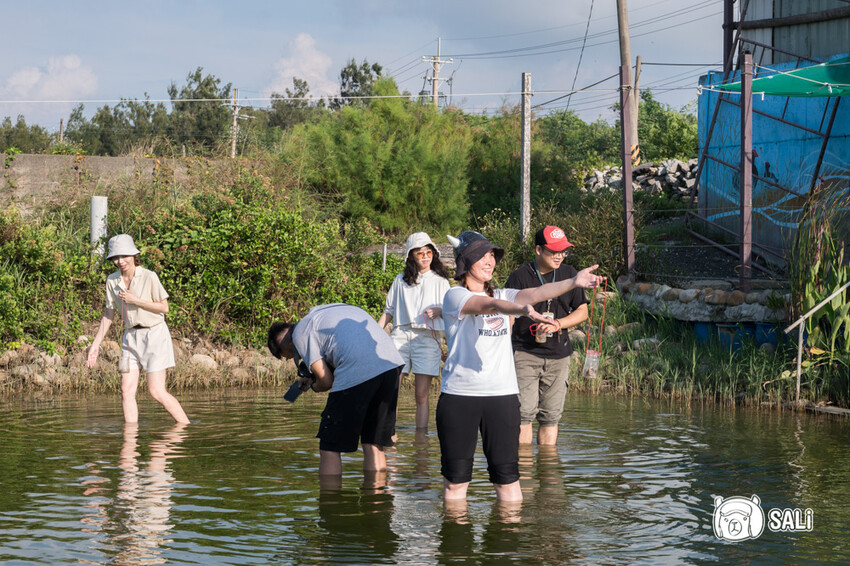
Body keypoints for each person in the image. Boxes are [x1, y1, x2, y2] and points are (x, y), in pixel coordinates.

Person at [437, 231, 603, 502]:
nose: (489, 261)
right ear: (465, 262)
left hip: (502, 398)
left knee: (509, 484)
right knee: (456, 484)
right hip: (460, 397)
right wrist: (520, 310)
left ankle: (507, 541)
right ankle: (457, 543)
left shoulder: (507, 293)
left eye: (492, 256)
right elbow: (488, 304)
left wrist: (573, 281)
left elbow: (538, 292)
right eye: (482, 256)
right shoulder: (455, 297)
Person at [267, 303, 404, 476]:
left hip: (358, 369)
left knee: (329, 447)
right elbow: (342, 348)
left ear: (288, 347)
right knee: (373, 443)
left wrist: (312, 386)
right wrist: (311, 377)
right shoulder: (323, 313)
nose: (299, 357)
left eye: (291, 356)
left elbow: (326, 381)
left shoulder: (300, 334)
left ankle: (330, 500)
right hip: (391, 365)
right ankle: (376, 499)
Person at [87, 234, 189, 424]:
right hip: (129, 337)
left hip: (154, 335)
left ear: (134, 255)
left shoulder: (149, 276)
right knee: (126, 390)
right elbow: (109, 314)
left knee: (156, 391)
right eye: (116, 258)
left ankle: (185, 427)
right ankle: (130, 442)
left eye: (124, 256)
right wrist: (95, 344)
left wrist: (137, 301)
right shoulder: (112, 281)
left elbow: (163, 308)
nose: (120, 261)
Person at [506, 226, 588, 446]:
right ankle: (523, 469)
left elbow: (582, 311)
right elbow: (509, 315)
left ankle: (548, 469)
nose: (560, 256)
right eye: (554, 251)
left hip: (559, 355)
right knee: (523, 414)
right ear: (538, 250)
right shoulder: (520, 276)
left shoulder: (570, 274)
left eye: (563, 251)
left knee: (551, 417)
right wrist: (504, 350)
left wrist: (558, 324)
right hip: (524, 353)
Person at [377, 232, 451, 430]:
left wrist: (439, 311)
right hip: (400, 335)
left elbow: (452, 312)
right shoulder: (400, 280)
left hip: (428, 338)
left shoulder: (441, 281)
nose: (425, 257)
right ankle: (387, 435)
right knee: (391, 391)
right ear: (411, 255)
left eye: (429, 252)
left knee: (421, 395)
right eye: (420, 253)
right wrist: (374, 336)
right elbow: (388, 312)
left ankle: (421, 441)